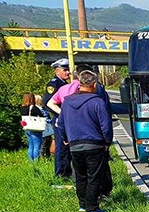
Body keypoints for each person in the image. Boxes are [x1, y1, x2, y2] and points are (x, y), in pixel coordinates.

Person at [48, 65, 113, 197]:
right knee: (95, 175)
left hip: (74, 140)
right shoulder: (97, 96)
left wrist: (66, 135)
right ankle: (94, 204)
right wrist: (107, 142)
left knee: (80, 175)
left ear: (77, 76)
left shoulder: (65, 93)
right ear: (93, 83)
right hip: (94, 140)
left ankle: (83, 204)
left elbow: (53, 110)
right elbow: (105, 122)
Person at [44, 58, 71, 178]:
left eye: (68, 70)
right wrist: (61, 114)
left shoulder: (65, 84)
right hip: (59, 119)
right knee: (61, 147)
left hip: (66, 120)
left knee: (68, 146)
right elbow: (48, 103)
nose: (68, 72)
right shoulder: (54, 84)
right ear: (57, 71)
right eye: (65, 70)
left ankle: (67, 171)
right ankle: (60, 173)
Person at [20, 92, 44, 161]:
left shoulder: (22, 107)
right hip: (35, 128)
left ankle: (31, 160)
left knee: (31, 146)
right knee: (37, 146)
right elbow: (41, 116)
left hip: (27, 128)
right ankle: (36, 161)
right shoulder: (33, 108)